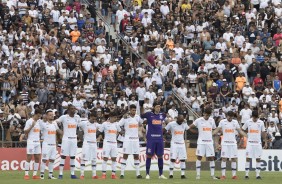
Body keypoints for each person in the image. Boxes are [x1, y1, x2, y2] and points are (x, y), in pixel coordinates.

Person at [212, 111, 247, 180]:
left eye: (231, 117)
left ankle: (234, 175)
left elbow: (240, 131)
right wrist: (211, 134)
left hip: (233, 143)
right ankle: (223, 175)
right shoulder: (222, 122)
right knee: (224, 158)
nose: (230, 118)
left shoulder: (235, 122)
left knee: (234, 159)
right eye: (229, 117)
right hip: (225, 143)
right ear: (226, 115)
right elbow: (217, 129)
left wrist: (247, 136)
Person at [188, 107, 218, 180]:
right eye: (206, 115)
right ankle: (198, 175)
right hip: (201, 142)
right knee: (199, 157)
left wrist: (214, 136)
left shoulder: (212, 120)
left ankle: (212, 175)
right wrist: (196, 132)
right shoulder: (198, 120)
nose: (207, 116)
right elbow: (189, 127)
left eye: (209, 115)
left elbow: (215, 129)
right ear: (204, 113)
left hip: (209, 142)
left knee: (211, 158)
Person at [141, 102, 167, 179]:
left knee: (160, 156)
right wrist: (144, 108)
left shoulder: (162, 115)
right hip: (151, 139)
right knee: (149, 155)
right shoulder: (149, 114)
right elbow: (141, 115)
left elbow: (167, 119)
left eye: (159, 107)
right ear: (154, 107)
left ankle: (161, 174)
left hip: (159, 139)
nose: (158, 108)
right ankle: (147, 174)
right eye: (157, 107)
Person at [56, 104, 81, 179]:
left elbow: (80, 125)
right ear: (68, 110)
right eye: (72, 109)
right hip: (66, 139)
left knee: (73, 156)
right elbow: (55, 122)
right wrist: (59, 130)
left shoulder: (77, 117)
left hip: (74, 139)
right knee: (63, 156)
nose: (74, 110)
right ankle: (60, 174)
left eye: (74, 108)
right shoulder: (64, 117)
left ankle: (72, 174)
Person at [119, 104, 143, 179]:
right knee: (125, 155)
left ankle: (138, 174)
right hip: (128, 139)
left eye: (135, 110)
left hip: (135, 139)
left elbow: (141, 124)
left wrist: (140, 130)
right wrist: (122, 132)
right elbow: (118, 125)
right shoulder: (125, 117)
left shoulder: (137, 117)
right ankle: (122, 174)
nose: (134, 111)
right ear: (130, 110)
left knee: (136, 156)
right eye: (133, 110)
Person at [242, 110, 267, 179]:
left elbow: (263, 132)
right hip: (250, 143)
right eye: (254, 117)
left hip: (258, 143)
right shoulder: (248, 122)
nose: (255, 119)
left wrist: (265, 142)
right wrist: (246, 136)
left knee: (258, 159)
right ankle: (246, 175)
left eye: (256, 118)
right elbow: (242, 129)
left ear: (258, 117)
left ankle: (257, 175)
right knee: (248, 158)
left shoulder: (261, 122)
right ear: (252, 116)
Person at [39, 109, 62, 179]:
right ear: (46, 116)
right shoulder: (43, 124)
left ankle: (50, 175)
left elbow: (59, 132)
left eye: (52, 115)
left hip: (53, 145)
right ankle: (42, 175)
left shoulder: (55, 124)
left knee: (52, 160)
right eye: (50, 115)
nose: (52, 116)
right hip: (46, 145)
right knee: (44, 160)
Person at [165, 114, 189, 179]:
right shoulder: (171, 124)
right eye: (180, 121)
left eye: (182, 121)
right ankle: (171, 174)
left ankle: (183, 175)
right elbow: (164, 129)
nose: (181, 122)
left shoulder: (184, 123)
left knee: (183, 159)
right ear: (177, 119)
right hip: (174, 143)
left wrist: (186, 122)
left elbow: (188, 129)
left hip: (182, 144)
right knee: (173, 159)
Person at [99, 111, 121, 179]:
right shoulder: (105, 124)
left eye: (116, 117)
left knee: (114, 159)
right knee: (105, 158)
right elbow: (99, 131)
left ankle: (113, 174)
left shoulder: (117, 124)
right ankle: (103, 174)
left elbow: (120, 132)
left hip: (114, 143)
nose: (116, 119)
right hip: (107, 143)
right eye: (114, 117)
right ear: (110, 117)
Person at [79, 112, 100, 179]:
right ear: (90, 117)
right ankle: (82, 174)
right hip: (86, 143)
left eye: (95, 119)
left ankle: (94, 175)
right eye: (93, 119)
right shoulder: (84, 123)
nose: (94, 120)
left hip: (94, 143)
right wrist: (81, 137)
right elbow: (78, 126)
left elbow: (102, 127)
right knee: (83, 158)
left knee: (94, 159)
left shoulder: (96, 124)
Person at [23, 109, 42, 180]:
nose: (39, 117)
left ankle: (34, 175)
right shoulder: (29, 121)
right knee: (29, 157)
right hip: (31, 142)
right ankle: (26, 174)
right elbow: (25, 132)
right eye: (38, 116)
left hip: (37, 142)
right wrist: (31, 126)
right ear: (35, 114)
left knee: (37, 158)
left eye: (40, 116)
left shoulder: (39, 122)